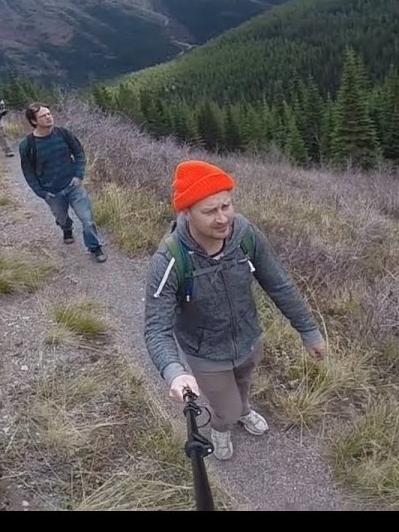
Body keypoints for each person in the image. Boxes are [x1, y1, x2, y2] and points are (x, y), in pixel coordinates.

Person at [143, 159, 325, 460]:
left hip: (248, 340)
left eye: (226, 206)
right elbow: (156, 328)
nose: (223, 218)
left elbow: (278, 283)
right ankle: (222, 426)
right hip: (206, 353)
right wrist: (174, 372)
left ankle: (243, 410)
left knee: (243, 384)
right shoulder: (170, 260)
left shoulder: (246, 236)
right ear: (186, 212)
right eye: (210, 211)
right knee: (224, 408)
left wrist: (308, 330)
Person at [19, 102, 107, 263]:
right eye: (43, 116)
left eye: (48, 113)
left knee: (87, 219)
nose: (48, 117)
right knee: (61, 217)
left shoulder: (63, 133)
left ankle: (95, 247)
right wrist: (42, 193)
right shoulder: (27, 146)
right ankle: (66, 228)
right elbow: (28, 173)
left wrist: (79, 175)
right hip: (52, 192)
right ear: (33, 121)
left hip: (73, 185)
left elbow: (79, 153)